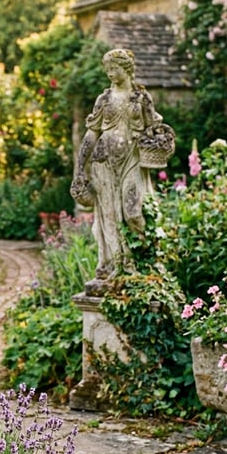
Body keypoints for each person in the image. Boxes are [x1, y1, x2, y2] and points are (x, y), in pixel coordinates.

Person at [71, 49, 161, 288]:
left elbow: (154, 129)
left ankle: (143, 262)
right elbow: (92, 134)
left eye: (114, 68)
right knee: (108, 215)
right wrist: (80, 168)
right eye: (107, 69)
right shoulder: (104, 99)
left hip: (131, 159)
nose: (110, 73)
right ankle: (113, 264)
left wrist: (158, 139)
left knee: (133, 212)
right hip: (103, 162)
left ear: (127, 69)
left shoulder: (141, 98)